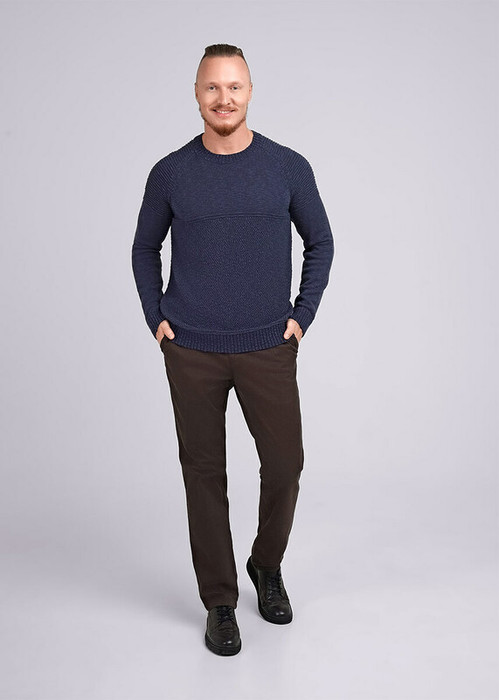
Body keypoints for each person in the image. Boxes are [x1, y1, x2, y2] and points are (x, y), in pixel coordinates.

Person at [131, 43, 334, 656]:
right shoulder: (170, 173)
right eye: (213, 87)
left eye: (235, 87)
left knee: (286, 464)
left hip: (268, 345)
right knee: (203, 474)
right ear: (197, 94)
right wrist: (156, 319)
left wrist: (301, 317)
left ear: (250, 91)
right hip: (190, 348)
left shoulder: (287, 167)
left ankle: (265, 565)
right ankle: (219, 600)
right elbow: (144, 248)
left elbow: (321, 242)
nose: (224, 98)